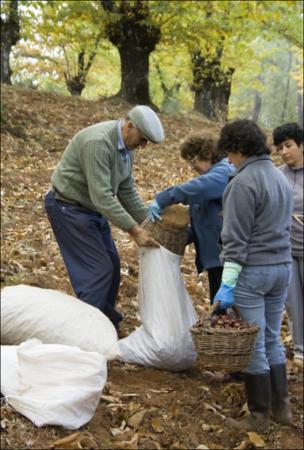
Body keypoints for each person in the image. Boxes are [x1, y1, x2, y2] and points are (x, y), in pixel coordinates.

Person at [44, 105, 164, 332]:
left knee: (113, 264)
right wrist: (135, 230)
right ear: (129, 126)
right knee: (97, 270)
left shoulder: (127, 148)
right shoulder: (98, 143)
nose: (143, 145)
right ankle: (84, 332)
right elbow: (102, 196)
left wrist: (149, 221)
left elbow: (126, 189)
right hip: (68, 208)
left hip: (91, 210)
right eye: (143, 139)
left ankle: (105, 322)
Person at [213, 119, 293, 432]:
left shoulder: (243, 183)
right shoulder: (279, 177)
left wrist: (227, 282)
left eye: (230, 153)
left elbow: (235, 238)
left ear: (241, 149)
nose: (228, 159)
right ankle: (281, 409)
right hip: (281, 267)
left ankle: (259, 416)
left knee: (254, 343)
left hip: (254, 271)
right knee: (272, 337)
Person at [147, 132, 234, 302]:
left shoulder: (224, 172)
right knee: (219, 307)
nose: (192, 167)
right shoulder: (213, 176)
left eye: (193, 161)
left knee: (224, 311)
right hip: (217, 257)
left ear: (207, 154)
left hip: (227, 257)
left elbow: (197, 188)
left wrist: (163, 198)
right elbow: (203, 219)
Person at [273, 122, 303, 368]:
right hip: (286, 249)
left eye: (289, 145)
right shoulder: (277, 174)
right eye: (279, 147)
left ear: (301, 146)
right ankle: (300, 348)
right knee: (292, 302)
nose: (284, 151)